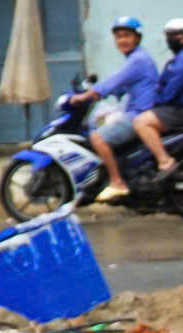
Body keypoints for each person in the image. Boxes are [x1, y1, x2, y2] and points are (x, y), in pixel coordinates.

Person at [63, 18, 158, 198]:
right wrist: (100, 93)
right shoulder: (136, 58)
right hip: (137, 111)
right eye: (119, 36)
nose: (123, 40)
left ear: (137, 38)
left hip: (138, 114)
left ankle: (117, 182)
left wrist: (85, 96)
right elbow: (121, 85)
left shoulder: (138, 59)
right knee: (100, 122)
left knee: (97, 138)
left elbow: (114, 80)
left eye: (127, 36)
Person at [132, 19, 183, 178]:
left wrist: (154, 104)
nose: (170, 39)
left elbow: (170, 91)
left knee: (141, 122)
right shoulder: (182, 57)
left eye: (174, 35)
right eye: (168, 35)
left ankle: (165, 161)